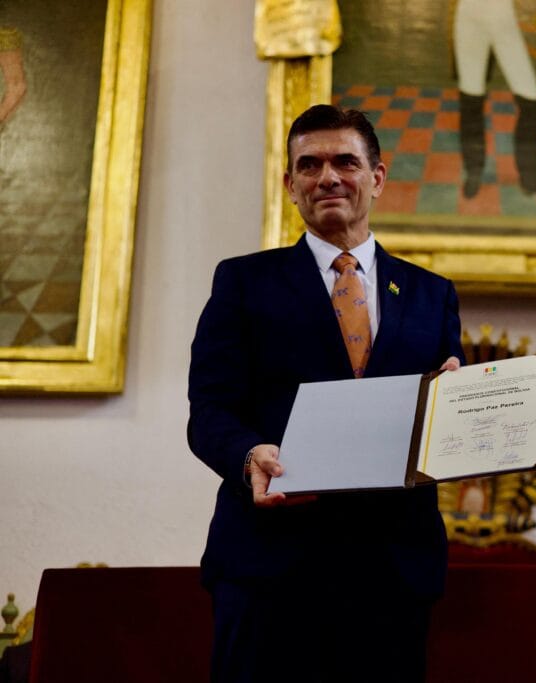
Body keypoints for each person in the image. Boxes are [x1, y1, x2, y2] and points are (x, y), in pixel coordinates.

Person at [188, 105, 464, 683]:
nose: (327, 177)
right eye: (308, 165)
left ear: (378, 178)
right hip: (270, 566)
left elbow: (442, 420)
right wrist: (247, 457)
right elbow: (210, 408)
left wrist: (462, 414)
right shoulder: (242, 281)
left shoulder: (431, 294)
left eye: (345, 162)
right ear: (290, 186)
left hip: (394, 570)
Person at [453, 0, 536, 202]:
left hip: (504, 23)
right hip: (469, 22)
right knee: (471, 99)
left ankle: (529, 177)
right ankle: (474, 171)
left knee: (531, 100)